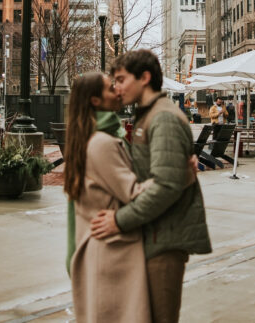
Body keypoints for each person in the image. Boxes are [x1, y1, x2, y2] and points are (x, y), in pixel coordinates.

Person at [92, 50, 212, 323]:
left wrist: (119, 221)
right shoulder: (148, 116)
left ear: (144, 78)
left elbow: (166, 187)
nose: (116, 86)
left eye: (121, 79)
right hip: (154, 234)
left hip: (165, 240)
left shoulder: (163, 118)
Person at [64, 71, 152, 322]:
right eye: (109, 87)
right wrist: (174, 175)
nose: (116, 90)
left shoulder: (90, 137)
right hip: (113, 254)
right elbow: (134, 193)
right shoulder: (102, 143)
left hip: (102, 250)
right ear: (95, 101)